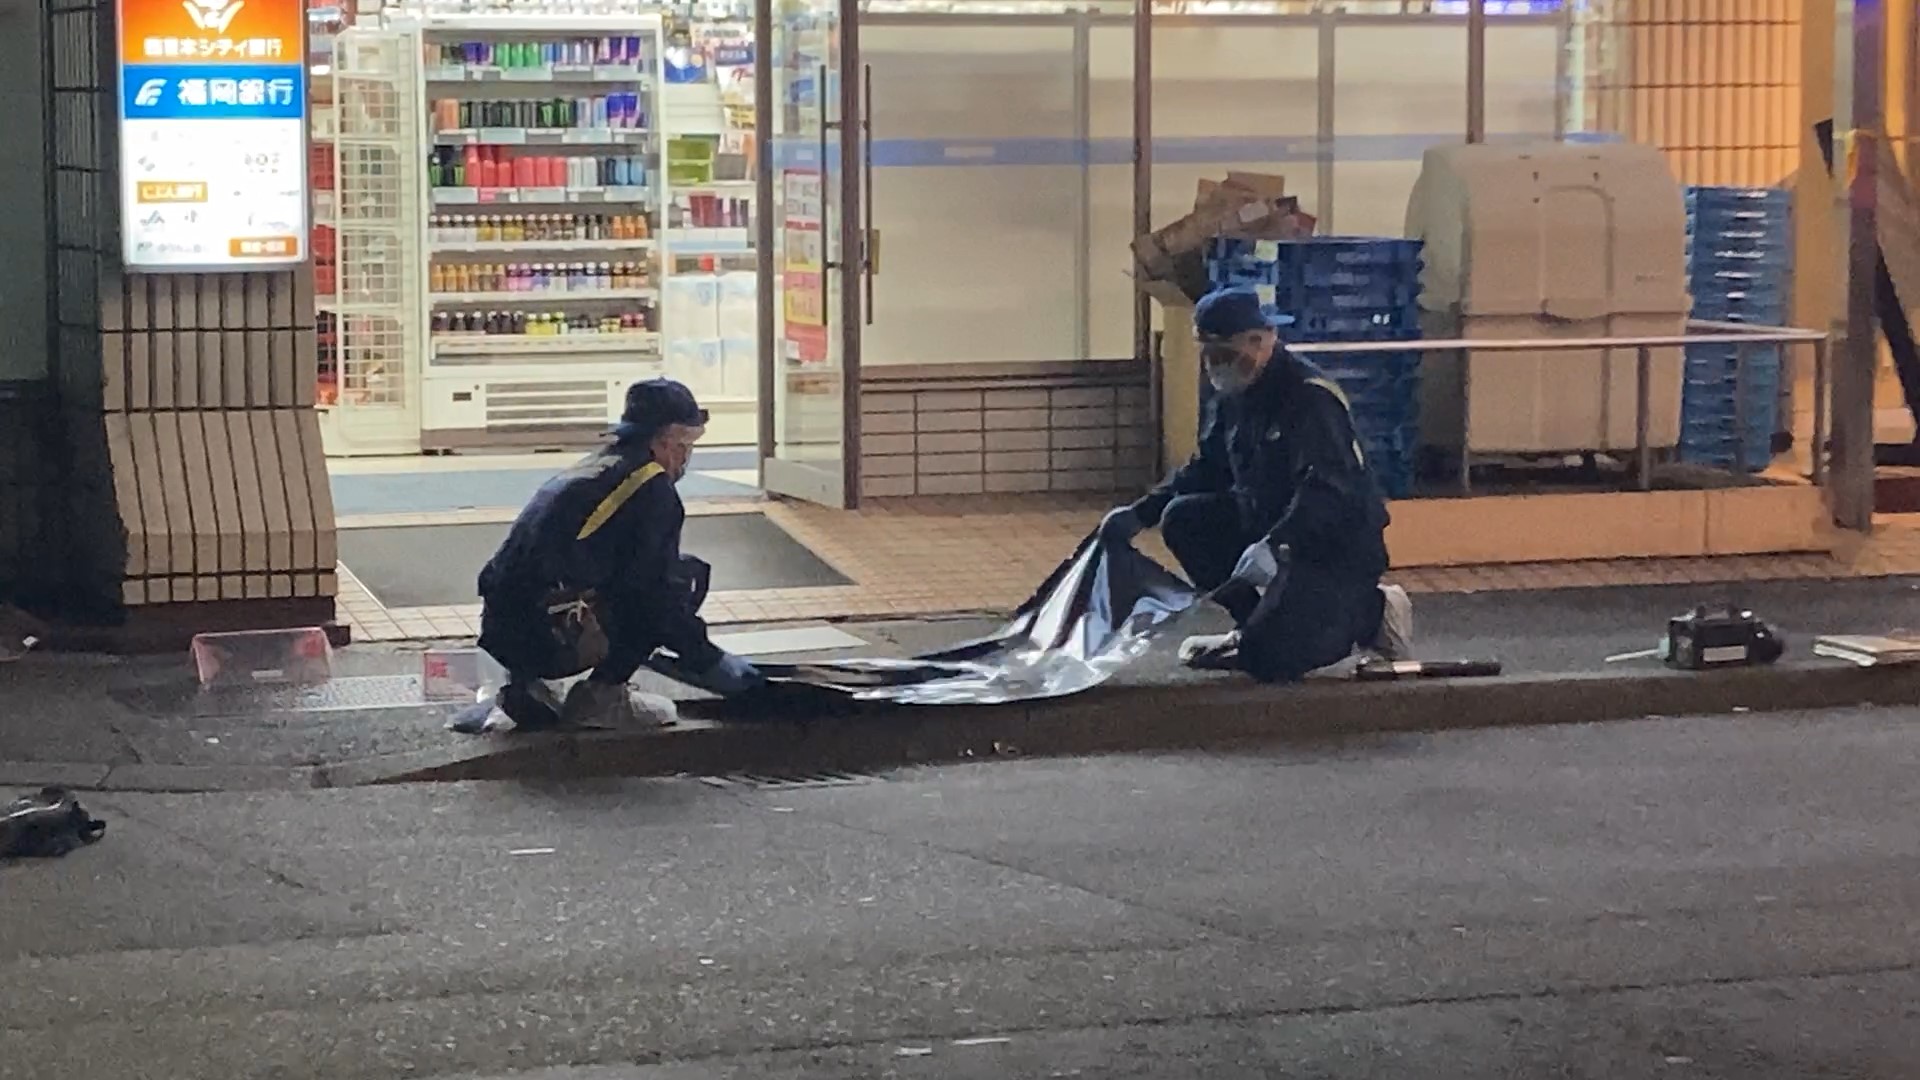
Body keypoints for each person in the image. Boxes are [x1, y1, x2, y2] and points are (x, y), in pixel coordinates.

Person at [1098, 285, 1414, 682]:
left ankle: (1373, 611)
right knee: (1184, 517)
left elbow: (1329, 490)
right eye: (1209, 356)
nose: (1216, 367)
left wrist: (1278, 544)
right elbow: (1208, 466)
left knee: (1273, 662)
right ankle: (1255, 625)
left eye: (1226, 355)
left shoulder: (1310, 399)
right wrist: (1141, 512)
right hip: (1263, 523)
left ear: (1263, 340)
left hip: (1328, 548)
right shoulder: (1235, 396)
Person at [472, 378, 764, 729]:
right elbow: (656, 596)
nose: (687, 456)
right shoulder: (651, 489)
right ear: (666, 438)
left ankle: (528, 685)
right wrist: (707, 660)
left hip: (502, 632)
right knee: (682, 578)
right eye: (687, 442)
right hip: (547, 638)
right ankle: (603, 697)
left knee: (611, 580)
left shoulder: (594, 468)